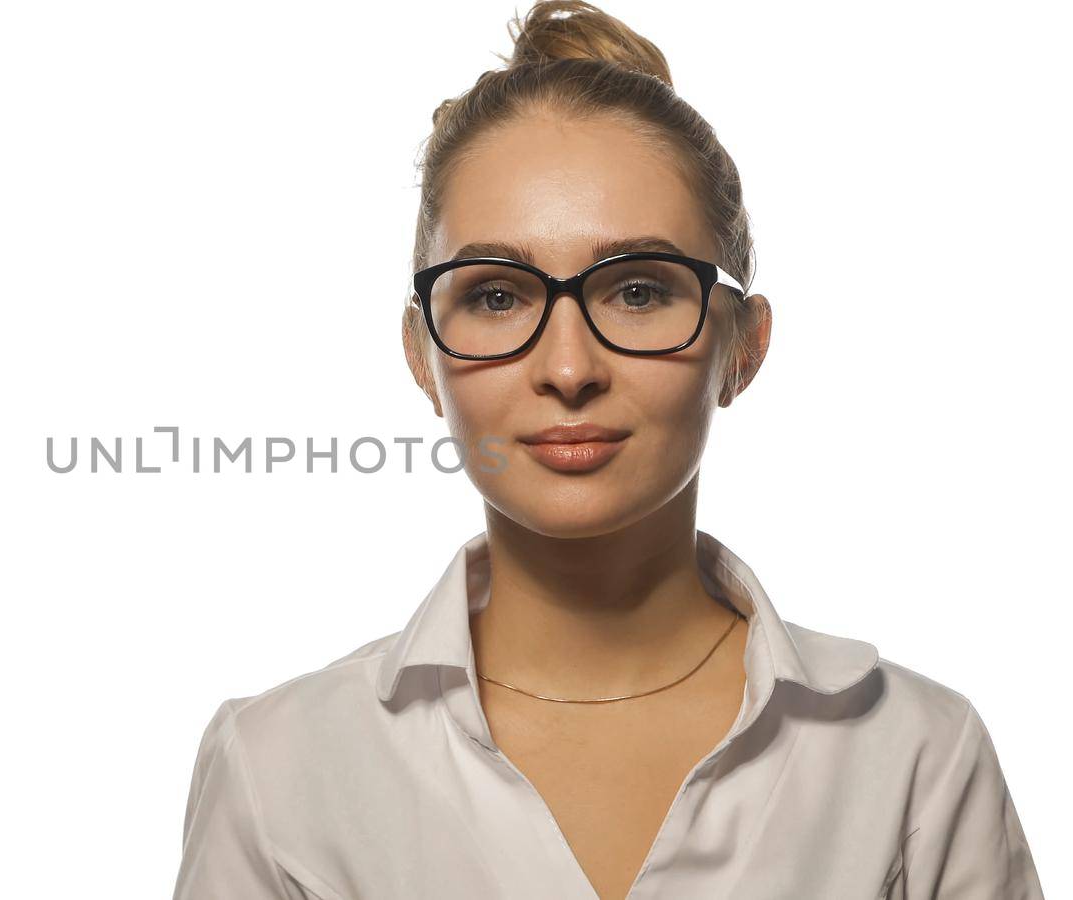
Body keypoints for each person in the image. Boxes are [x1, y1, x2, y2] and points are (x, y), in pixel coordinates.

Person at [171, 2, 1044, 897]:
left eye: (636, 290)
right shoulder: (278, 773)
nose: (568, 367)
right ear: (421, 357)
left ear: (742, 346)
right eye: (498, 297)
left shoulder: (917, 758)